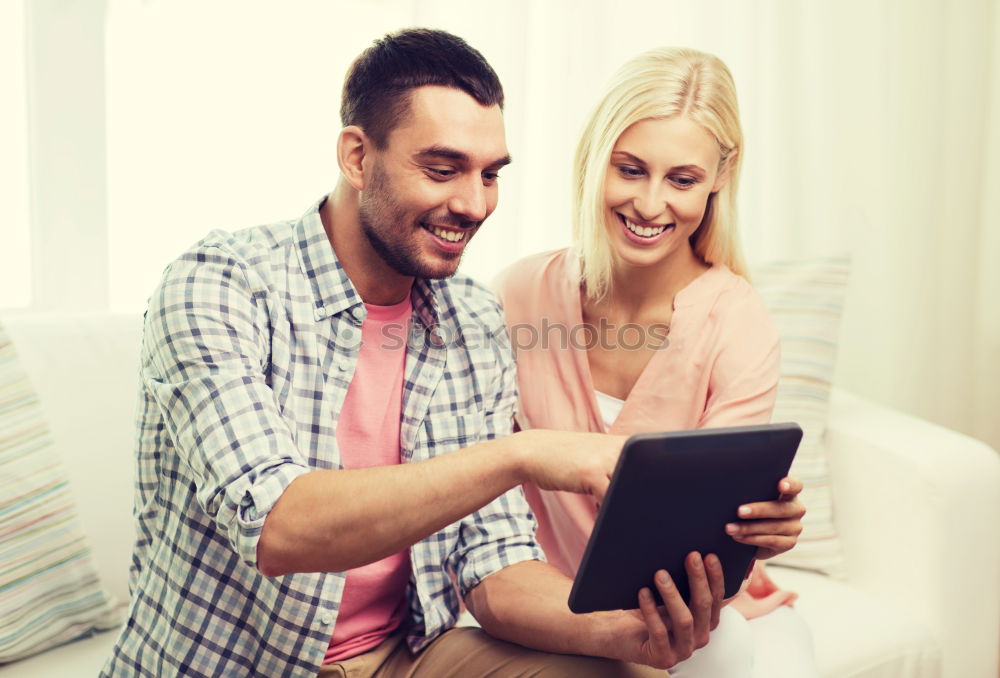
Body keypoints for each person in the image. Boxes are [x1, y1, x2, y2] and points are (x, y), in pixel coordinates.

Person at [101, 30, 805, 678]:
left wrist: (623, 635)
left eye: (490, 174)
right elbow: (277, 528)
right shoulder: (218, 284)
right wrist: (520, 456)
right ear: (356, 156)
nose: (473, 204)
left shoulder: (470, 318)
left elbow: (493, 566)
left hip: (407, 657)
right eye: (443, 169)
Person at [496, 47, 819, 677]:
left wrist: (756, 526)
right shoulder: (516, 296)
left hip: (698, 609)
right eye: (631, 169)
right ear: (596, 160)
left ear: (719, 178)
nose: (648, 204)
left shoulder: (739, 323)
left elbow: (707, 535)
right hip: (542, 602)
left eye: (682, 179)